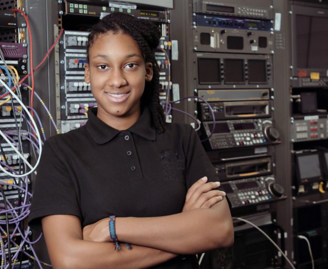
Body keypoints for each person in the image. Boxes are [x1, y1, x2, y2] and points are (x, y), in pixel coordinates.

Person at [28, 12, 234, 269]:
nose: (117, 80)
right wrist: (185, 234)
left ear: (148, 72)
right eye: (103, 67)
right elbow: (70, 261)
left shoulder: (183, 139)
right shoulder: (60, 152)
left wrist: (112, 227)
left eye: (130, 65)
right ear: (87, 74)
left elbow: (221, 230)